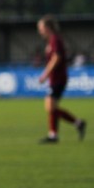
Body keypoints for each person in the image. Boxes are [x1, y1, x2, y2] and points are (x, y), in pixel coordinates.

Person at [37, 15, 86, 143]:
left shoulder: (55, 40)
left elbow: (57, 58)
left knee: (50, 106)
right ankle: (55, 134)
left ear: (47, 27)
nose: (40, 31)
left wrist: (45, 74)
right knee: (51, 107)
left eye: (41, 28)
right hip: (55, 79)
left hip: (58, 78)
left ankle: (73, 125)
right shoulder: (51, 41)